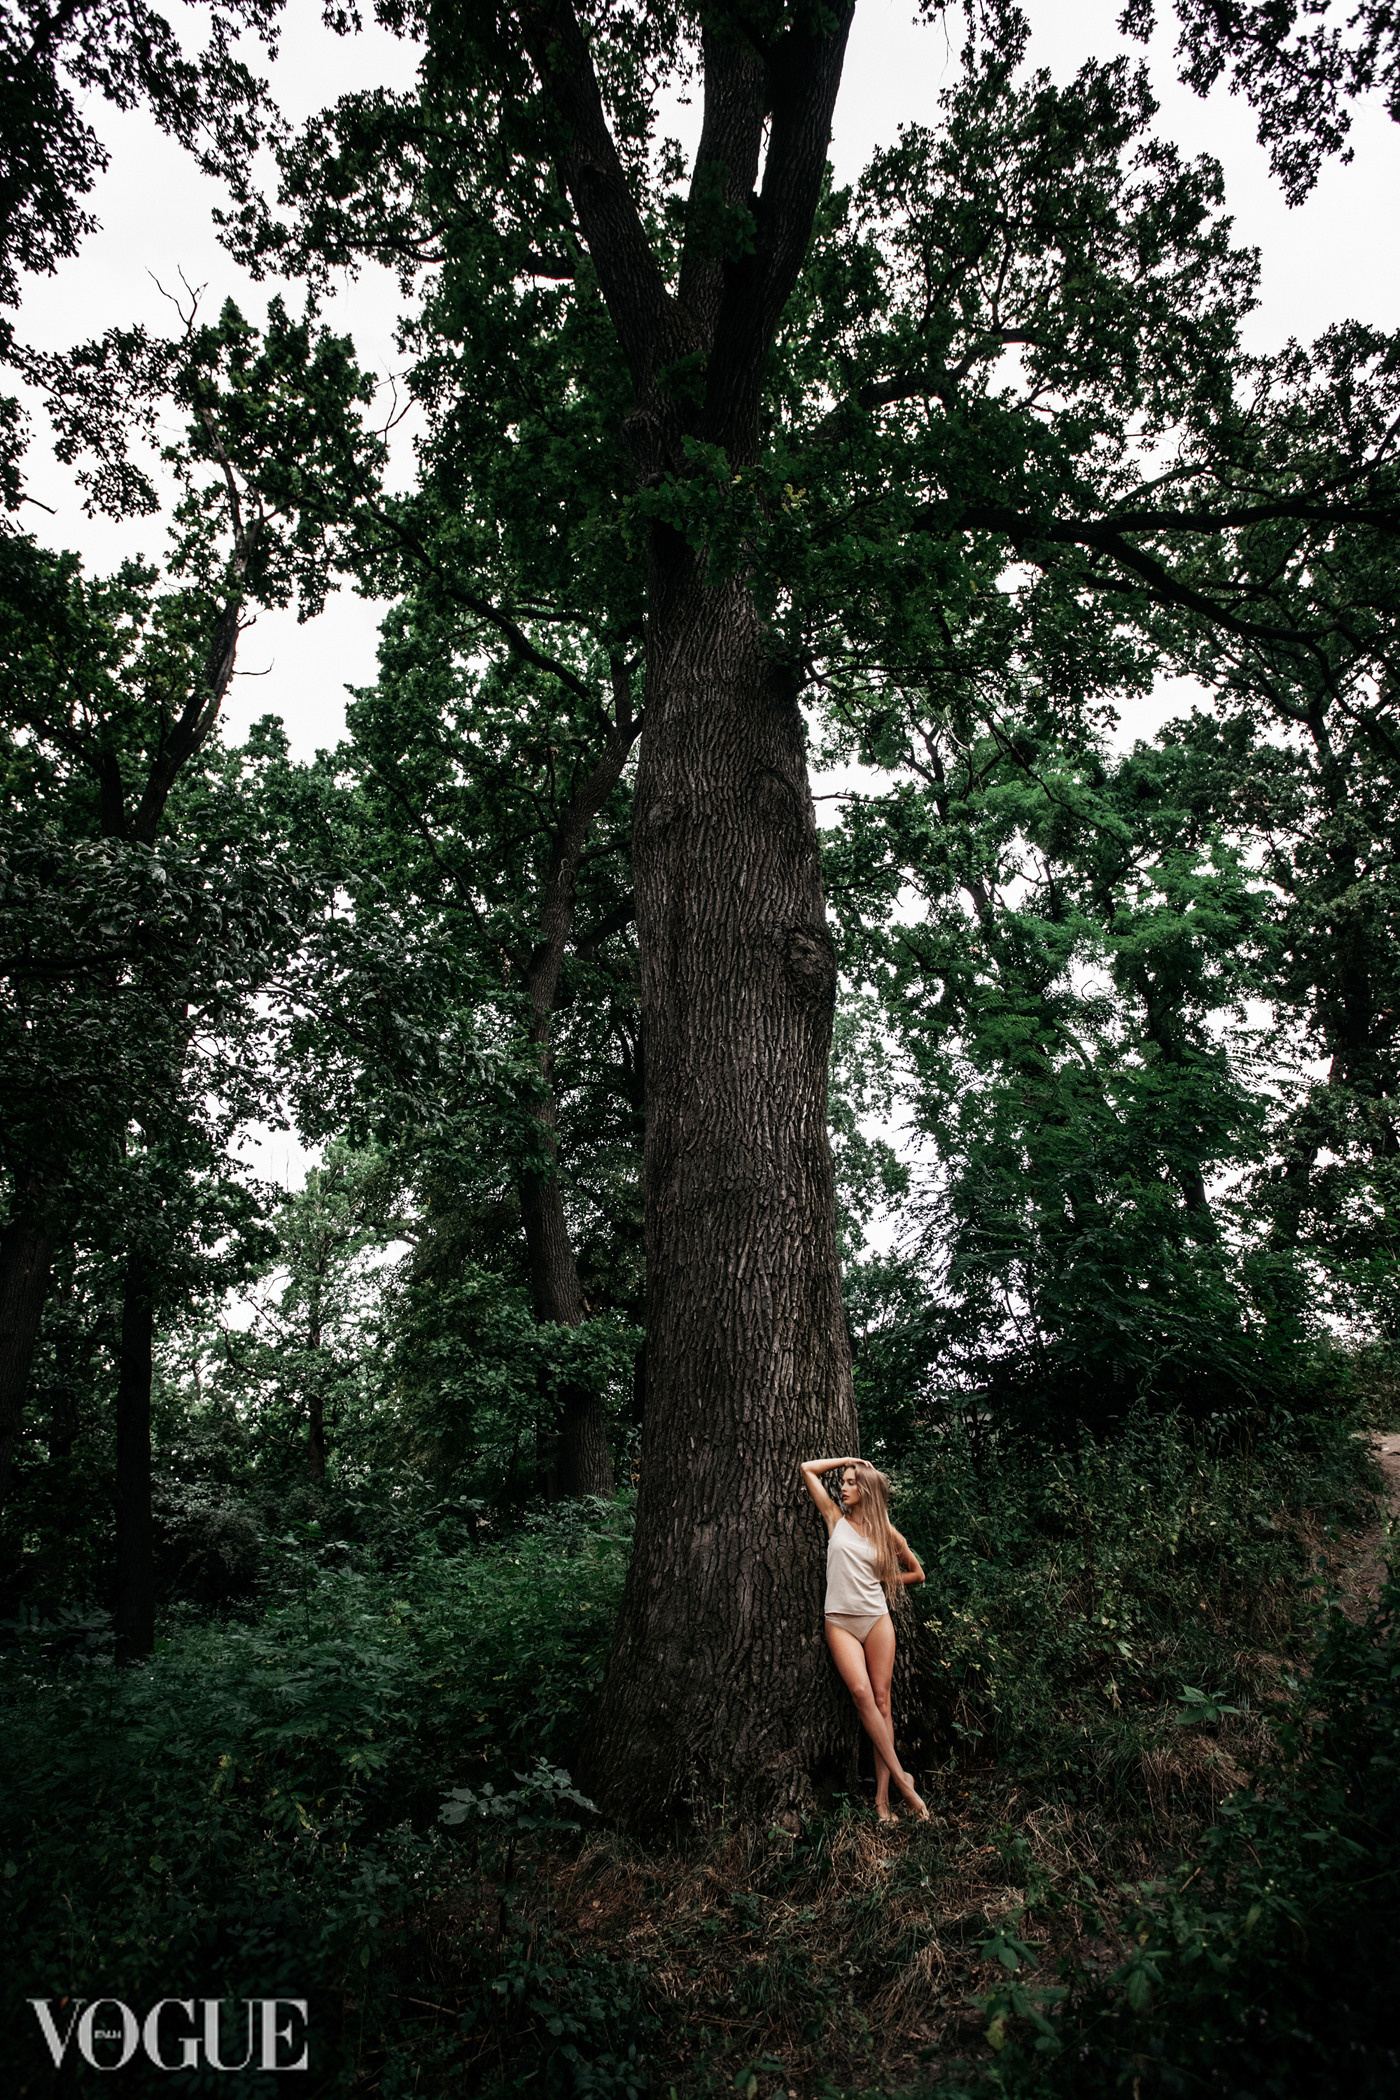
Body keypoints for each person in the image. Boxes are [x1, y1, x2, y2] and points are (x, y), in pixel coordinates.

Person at [801, 1453, 928, 1822]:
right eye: (843, 1480)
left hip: (876, 1620)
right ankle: (907, 1785)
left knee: (882, 1702)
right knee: (861, 1695)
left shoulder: (885, 1532)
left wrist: (884, 1581)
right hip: (839, 1622)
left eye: (851, 1481)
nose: (842, 1486)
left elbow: (917, 1574)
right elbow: (807, 1469)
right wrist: (849, 1460)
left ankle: (883, 1800)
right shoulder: (834, 1518)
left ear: (866, 1489)